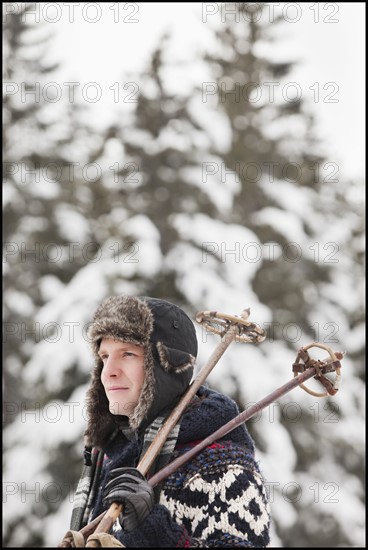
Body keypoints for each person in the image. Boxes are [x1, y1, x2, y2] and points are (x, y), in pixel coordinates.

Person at [67, 295, 270, 547]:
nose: (108, 372)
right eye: (105, 356)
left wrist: (152, 530)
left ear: (165, 366)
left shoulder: (221, 464)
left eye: (127, 354)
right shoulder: (108, 453)